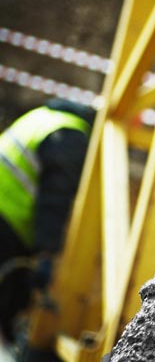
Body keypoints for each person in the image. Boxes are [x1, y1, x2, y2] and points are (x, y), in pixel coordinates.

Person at [0, 97, 94, 342]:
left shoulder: (43, 116)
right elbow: (54, 200)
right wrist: (46, 253)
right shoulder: (70, 135)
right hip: (7, 220)